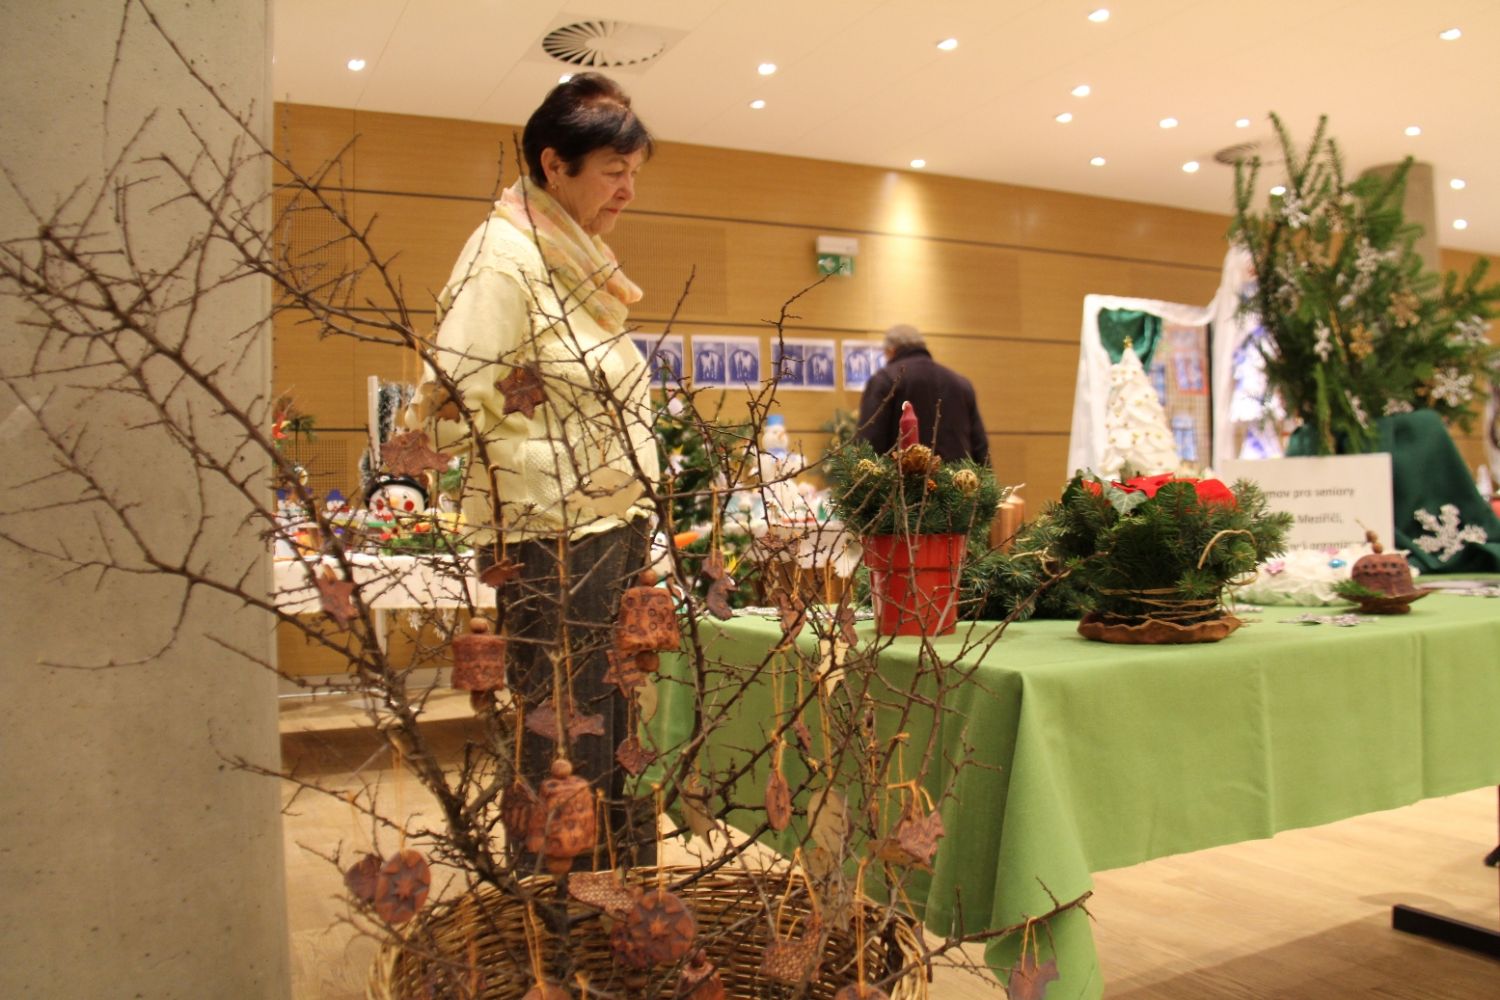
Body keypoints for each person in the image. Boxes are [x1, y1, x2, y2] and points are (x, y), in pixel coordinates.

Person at [407, 73, 660, 870]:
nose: (627, 190)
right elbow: (450, 402)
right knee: (562, 739)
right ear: (555, 165)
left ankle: (617, 902)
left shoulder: (573, 262)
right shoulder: (504, 257)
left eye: (634, 173)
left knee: (611, 725)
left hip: (606, 530)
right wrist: (540, 461)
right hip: (554, 540)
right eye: (614, 171)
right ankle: (558, 917)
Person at [855, 324, 989, 464]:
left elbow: (868, 444)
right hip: (958, 476)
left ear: (890, 351)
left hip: (905, 477)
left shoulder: (885, 380)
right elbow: (980, 447)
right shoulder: (961, 383)